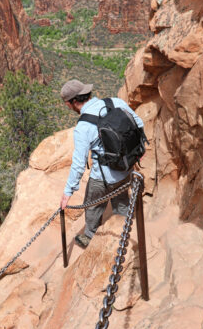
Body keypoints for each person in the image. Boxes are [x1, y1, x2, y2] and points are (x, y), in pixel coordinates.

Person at [59, 79, 144, 248]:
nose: (67, 106)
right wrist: (139, 150)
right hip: (126, 167)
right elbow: (138, 124)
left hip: (104, 178)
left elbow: (78, 163)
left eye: (67, 103)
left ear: (73, 102)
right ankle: (125, 229)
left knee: (92, 205)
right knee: (121, 198)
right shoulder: (115, 102)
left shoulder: (83, 127)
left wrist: (68, 192)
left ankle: (89, 237)